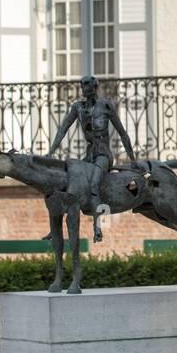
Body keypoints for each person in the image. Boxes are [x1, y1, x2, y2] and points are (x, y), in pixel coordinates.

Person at [48, 75, 139, 242]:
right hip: (89, 157)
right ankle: (55, 226)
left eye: (87, 85)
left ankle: (97, 228)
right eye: (82, 86)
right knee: (65, 183)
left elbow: (123, 133)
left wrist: (132, 160)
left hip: (103, 156)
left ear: (95, 87)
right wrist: (51, 151)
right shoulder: (78, 108)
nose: (84, 89)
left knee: (94, 184)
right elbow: (63, 129)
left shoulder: (105, 106)